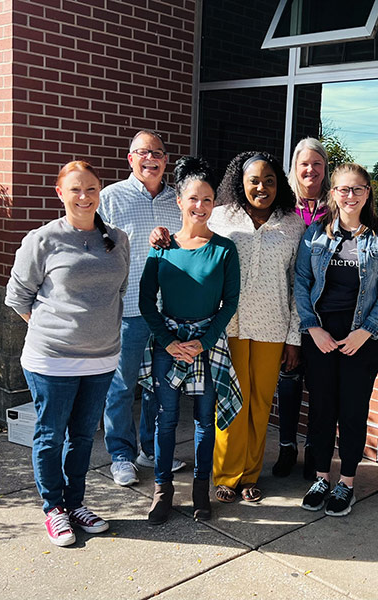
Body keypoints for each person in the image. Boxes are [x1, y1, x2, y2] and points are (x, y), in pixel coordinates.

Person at [5, 161, 130, 547]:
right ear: (60, 193)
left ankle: (75, 504)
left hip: (103, 358)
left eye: (91, 189)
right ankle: (53, 509)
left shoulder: (118, 239)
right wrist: (54, 329)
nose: (84, 196)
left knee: (82, 436)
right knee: (50, 435)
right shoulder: (41, 240)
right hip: (52, 360)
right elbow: (17, 297)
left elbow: (118, 291)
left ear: (100, 192)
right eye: (75, 189)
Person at [292, 164, 378, 517]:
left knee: (353, 411)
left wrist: (367, 330)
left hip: (363, 336)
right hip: (321, 334)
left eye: (357, 189)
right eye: (343, 189)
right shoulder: (315, 235)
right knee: (322, 409)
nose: (350, 196)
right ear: (333, 194)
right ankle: (322, 477)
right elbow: (301, 281)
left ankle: (347, 483)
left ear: (368, 192)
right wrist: (312, 327)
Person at [137, 157, 240, 524]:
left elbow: (230, 304)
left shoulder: (225, 249)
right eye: (193, 198)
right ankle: (162, 490)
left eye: (208, 199)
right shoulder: (162, 245)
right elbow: (145, 300)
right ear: (179, 200)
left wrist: (204, 341)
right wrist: (167, 341)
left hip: (207, 345)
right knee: (165, 420)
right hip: (168, 345)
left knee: (203, 420)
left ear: (215, 204)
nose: (200, 206)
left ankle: (200, 490)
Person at [204, 151, 303, 505]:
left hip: (273, 326)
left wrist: (294, 338)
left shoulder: (293, 224)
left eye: (270, 180)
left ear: (280, 184)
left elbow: (297, 284)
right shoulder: (219, 217)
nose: (262, 187)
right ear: (240, 183)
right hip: (228, 324)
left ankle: (249, 475)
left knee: (260, 403)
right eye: (254, 181)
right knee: (232, 402)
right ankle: (226, 475)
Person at [97, 130, 186, 486]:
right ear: (130, 158)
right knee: (121, 385)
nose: (152, 158)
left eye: (159, 153)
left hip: (168, 310)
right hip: (128, 308)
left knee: (159, 386)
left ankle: (149, 449)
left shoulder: (177, 200)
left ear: (167, 161)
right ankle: (121, 455)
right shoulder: (110, 198)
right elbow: (94, 248)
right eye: (143, 152)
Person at [274, 137, 329, 480]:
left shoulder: (335, 208)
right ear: (294, 167)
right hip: (288, 310)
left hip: (325, 314)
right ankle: (286, 448)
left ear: (325, 169)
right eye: (303, 164)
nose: (310, 170)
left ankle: (314, 450)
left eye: (317, 164)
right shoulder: (282, 209)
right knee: (289, 381)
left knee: (321, 387)